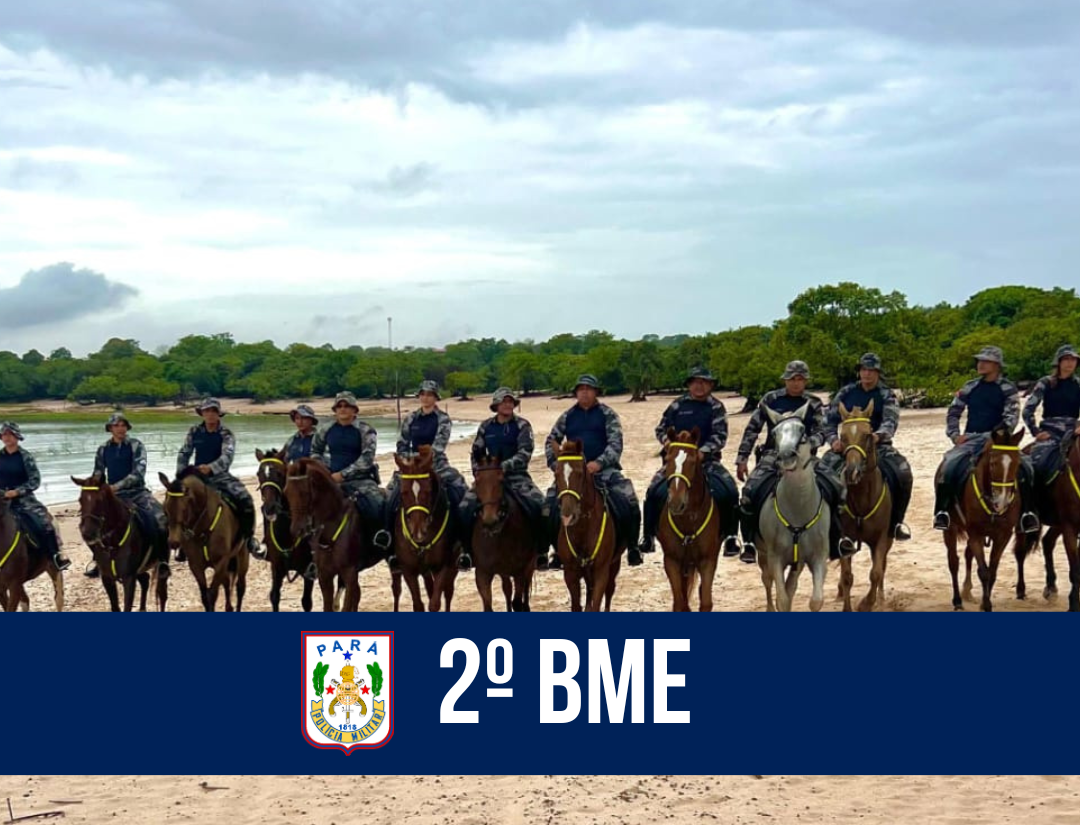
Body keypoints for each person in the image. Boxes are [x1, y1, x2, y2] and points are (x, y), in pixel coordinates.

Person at [735, 360, 856, 564]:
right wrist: (742, 458)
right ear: (785, 380)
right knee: (748, 493)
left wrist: (808, 445)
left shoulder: (814, 403)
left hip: (806, 456)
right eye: (792, 379)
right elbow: (752, 429)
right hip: (773, 455)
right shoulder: (771, 399)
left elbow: (821, 431)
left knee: (838, 488)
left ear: (806, 381)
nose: (796, 383)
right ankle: (748, 542)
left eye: (800, 379)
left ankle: (838, 538)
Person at [933, 346, 1038, 533]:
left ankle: (1027, 514)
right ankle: (942, 512)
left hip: (999, 441)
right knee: (949, 465)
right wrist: (955, 435)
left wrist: (997, 436)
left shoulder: (1007, 388)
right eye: (980, 360)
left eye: (986, 361)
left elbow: (1011, 417)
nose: (980, 364)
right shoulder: (970, 386)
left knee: (1027, 467)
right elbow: (954, 412)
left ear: (996, 365)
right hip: (972, 438)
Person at [639, 367, 740, 558]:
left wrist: (703, 451)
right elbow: (661, 428)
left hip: (707, 461)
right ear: (689, 385)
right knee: (653, 490)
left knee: (730, 490)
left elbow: (720, 436)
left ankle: (731, 537)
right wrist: (667, 443)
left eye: (704, 382)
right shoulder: (677, 405)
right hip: (677, 462)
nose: (699, 386)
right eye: (695, 382)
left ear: (710, 385)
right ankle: (648, 536)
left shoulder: (716, 407)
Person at [544, 374, 642, 570]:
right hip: (573, 473)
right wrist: (558, 466)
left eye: (589, 389)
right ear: (576, 393)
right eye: (581, 389)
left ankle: (632, 547)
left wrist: (598, 463)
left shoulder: (608, 414)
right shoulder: (567, 416)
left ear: (596, 392)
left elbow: (616, 444)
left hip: (603, 470)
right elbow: (551, 442)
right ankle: (555, 551)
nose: (585, 392)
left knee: (629, 499)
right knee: (548, 505)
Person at [822, 353, 914, 541]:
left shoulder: (886, 395)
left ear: (878, 373)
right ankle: (829, 523)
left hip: (877, 446)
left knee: (903, 472)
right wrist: (833, 440)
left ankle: (896, 522)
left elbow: (890, 421)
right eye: (864, 370)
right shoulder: (845, 393)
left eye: (871, 370)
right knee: (822, 473)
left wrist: (877, 436)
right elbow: (829, 421)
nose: (867, 374)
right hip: (847, 446)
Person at [306, 392, 391, 580]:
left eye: (347, 406)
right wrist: (324, 471)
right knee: (303, 506)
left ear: (354, 410)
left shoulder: (365, 430)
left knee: (378, 503)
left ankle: (382, 541)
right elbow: (315, 451)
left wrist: (343, 475)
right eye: (340, 406)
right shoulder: (325, 429)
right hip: (330, 480)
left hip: (360, 480)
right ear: (335, 410)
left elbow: (367, 458)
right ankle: (311, 557)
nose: (343, 409)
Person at [461, 387, 547, 569]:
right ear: (496, 405)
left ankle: (541, 551)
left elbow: (525, 452)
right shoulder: (486, 426)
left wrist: (504, 467)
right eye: (504, 402)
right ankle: (466, 551)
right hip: (488, 479)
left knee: (541, 505)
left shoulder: (523, 425)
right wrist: (479, 472)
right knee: (463, 507)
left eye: (510, 402)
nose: (508, 405)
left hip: (516, 477)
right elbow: (476, 452)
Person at [386, 381, 469, 569]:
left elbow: (439, 446)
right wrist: (411, 461)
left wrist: (425, 459)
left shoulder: (443, 418)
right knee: (390, 493)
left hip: (436, 465)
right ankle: (388, 541)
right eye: (422, 394)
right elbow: (401, 445)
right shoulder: (410, 419)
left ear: (435, 397)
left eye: (430, 394)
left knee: (460, 488)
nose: (426, 398)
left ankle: (463, 541)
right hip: (411, 467)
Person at [175, 398, 265, 559]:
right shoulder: (194, 431)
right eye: (207, 411)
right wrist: (181, 473)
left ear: (218, 414)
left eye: (213, 411)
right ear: (202, 413)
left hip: (220, 477)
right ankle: (181, 542)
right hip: (196, 477)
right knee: (175, 502)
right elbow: (184, 452)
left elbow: (227, 455)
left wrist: (211, 468)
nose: (210, 414)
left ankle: (249, 539)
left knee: (245, 499)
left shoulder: (226, 433)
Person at [84, 413, 171, 579]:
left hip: (137, 493)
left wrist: (115, 486)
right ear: (110, 429)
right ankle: (98, 560)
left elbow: (138, 473)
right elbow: (98, 472)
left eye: (123, 425)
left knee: (160, 519)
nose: (120, 429)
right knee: (90, 523)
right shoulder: (103, 449)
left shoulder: (136, 445)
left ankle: (162, 561)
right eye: (116, 426)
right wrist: (94, 487)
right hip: (112, 496)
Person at [0, 421, 71, 571]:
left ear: (17, 436)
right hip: (2, 499)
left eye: (10, 434)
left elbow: (35, 480)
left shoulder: (26, 456)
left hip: (24, 500)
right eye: (4, 434)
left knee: (44, 524)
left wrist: (17, 491)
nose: (7, 437)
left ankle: (55, 556)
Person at [1022, 344, 1080, 498]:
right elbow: (1028, 410)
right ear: (1059, 362)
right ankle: (1032, 507)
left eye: (1073, 359)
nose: (1070, 363)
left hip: (1073, 430)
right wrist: (1036, 432)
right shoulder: (1046, 383)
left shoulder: (1078, 384)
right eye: (1066, 359)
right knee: (1035, 465)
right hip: (1051, 432)